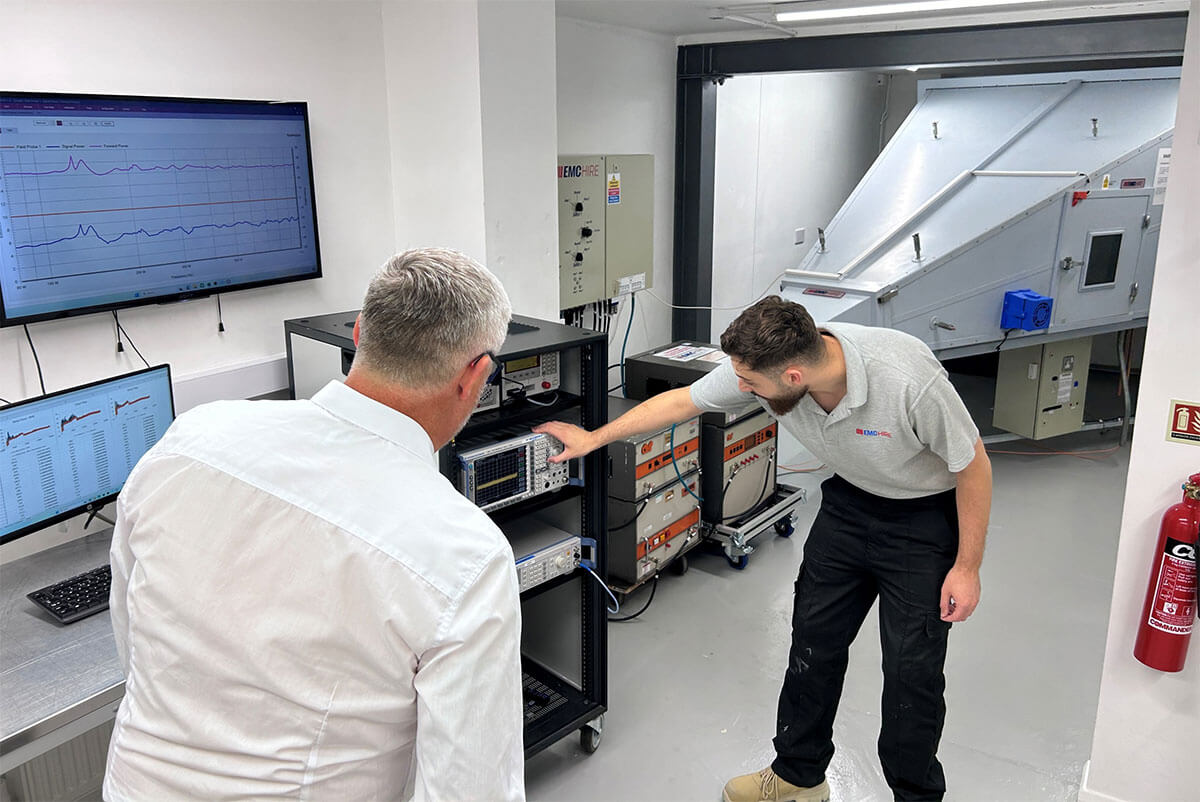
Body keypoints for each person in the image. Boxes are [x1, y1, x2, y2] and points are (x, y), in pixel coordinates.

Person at [104, 248, 524, 802]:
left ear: (357, 334)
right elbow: (469, 790)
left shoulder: (192, 438)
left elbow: (132, 634)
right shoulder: (462, 554)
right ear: (476, 376)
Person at [535, 295, 991, 802]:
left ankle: (916, 797)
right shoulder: (766, 368)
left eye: (751, 385)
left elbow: (973, 466)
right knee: (812, 646)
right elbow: (683, 402)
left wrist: (966, 566)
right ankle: (799, 776)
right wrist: (594, 438)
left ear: (793, 376)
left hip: (921, 519)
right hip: (848, 505)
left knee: (912, 675)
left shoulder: (907, 378)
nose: (741, 390)